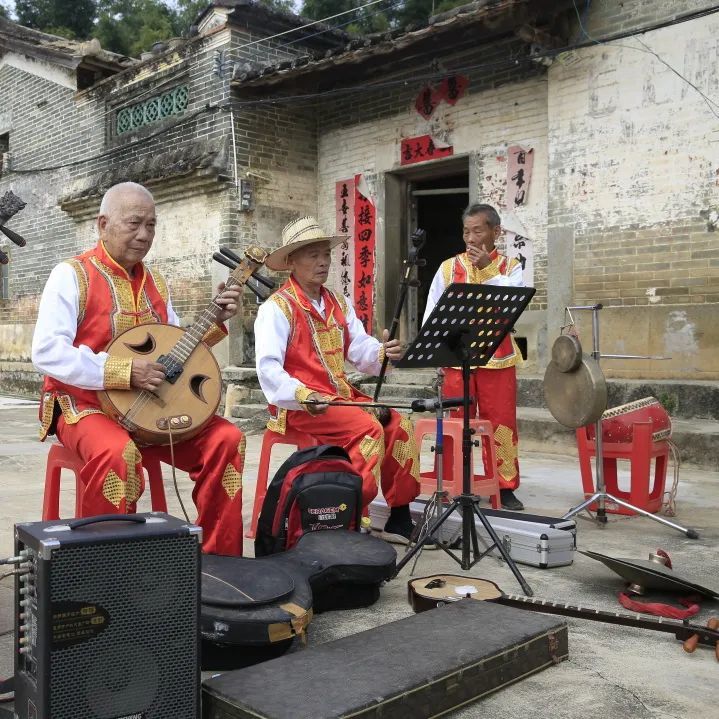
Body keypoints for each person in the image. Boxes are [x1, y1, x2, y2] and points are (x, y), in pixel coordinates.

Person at [31, 182, 246, 555]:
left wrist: (216, 319)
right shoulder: (72, 275)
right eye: (134, 223)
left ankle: (219, 561)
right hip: (84, 405)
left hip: (152, 405)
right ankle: (107, 568)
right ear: (102, 224)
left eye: (151, 225)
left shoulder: (156, 282)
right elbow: (47, 352)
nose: (144, 235)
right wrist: (123, 372)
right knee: (118, 452)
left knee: (227, 439)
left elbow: (177, 346)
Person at [254, 216, 422, 544]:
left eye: (325, 255)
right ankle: (350, 519)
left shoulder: (336, 302)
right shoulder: (277, 308)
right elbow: (269, 369)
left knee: (401, 424)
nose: (322, 262)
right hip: (300, 404)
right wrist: (301, 394)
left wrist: (383, 352)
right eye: (312, 255)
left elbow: (359, 348)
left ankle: (399, 517)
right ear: (291, 262)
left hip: (338, 396)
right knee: (369, 430)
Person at [422, 203, 526, 511]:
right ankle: (456, 482)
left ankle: (505, 485)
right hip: (457, 358)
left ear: (495, 232)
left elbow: (513, 298)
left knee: (502, 423)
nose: (470, 237)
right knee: (456, 422)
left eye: (478, 230)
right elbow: (433, 310)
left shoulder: (511, 267)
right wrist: (435, 352)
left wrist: (488, 270)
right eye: (466, 231)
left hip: (498, 358)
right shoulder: (448, 267)